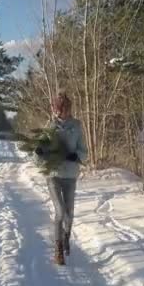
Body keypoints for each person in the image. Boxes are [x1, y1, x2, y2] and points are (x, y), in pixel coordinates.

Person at [35, 91, 88, 265]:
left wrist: (76, 156)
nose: (58, 112)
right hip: (54, 176)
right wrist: (39, 152)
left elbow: (84, 151)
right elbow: (39, 154)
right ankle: (58, 250)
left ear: (68, 109)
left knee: (70, 214)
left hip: (71, 175)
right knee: (60, 211)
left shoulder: (77, 126)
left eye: (61, 108)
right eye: (57, 109)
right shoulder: (50, 127)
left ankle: (66, 236)